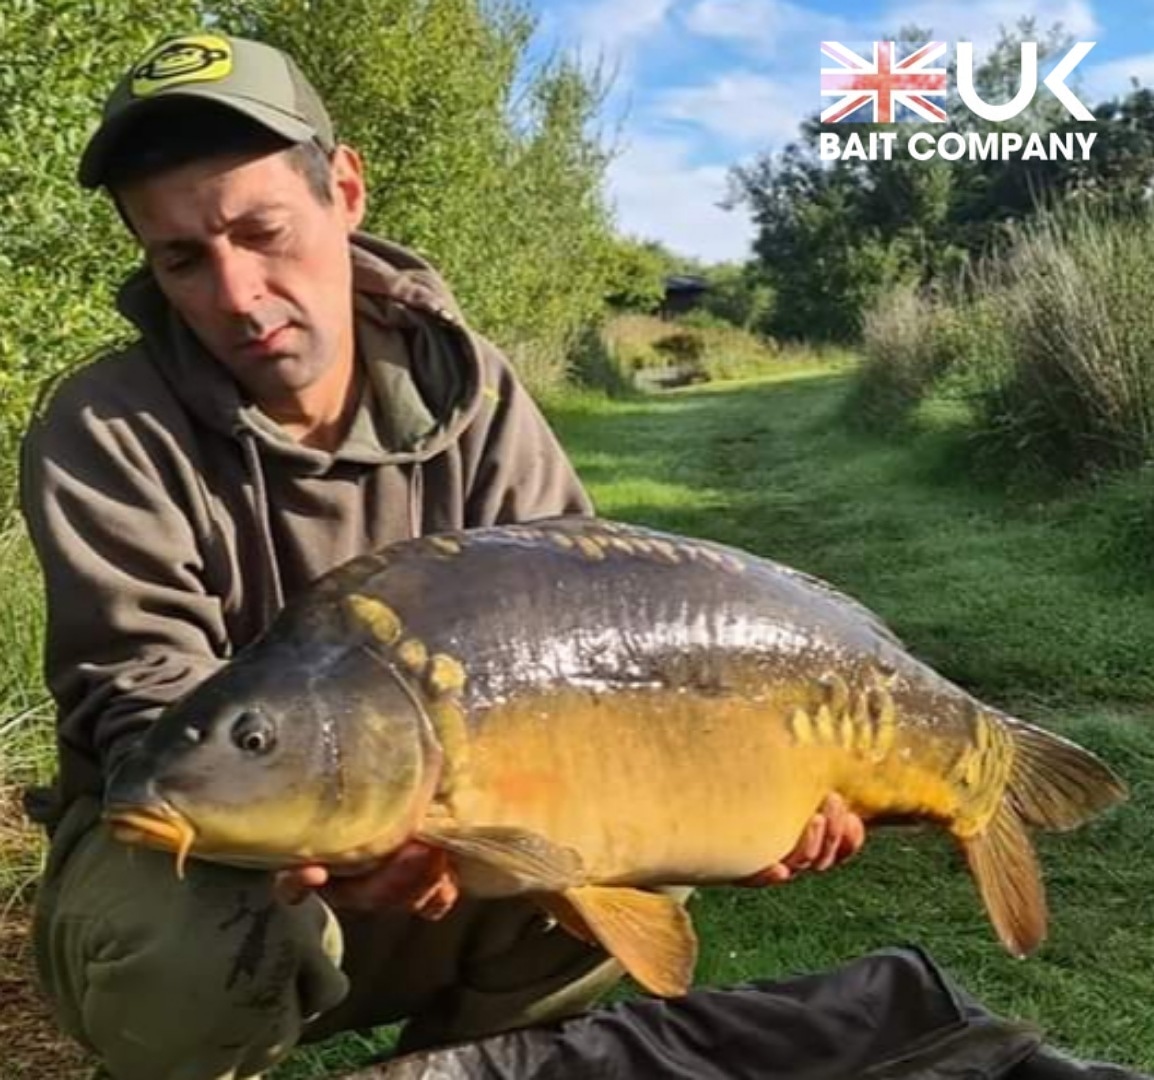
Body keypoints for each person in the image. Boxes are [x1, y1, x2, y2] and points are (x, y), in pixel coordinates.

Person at [19, 32, 865, 1080]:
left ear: (344, 189)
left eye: (263, 231)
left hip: (449, 818)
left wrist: (748, 793)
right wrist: (333, 833)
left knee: (626, 856)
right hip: (216, 838)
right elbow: (140, 693)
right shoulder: (106, 426)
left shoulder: (472, 392)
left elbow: (599, 623)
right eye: (184, 258)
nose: (238, 294)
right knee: (184, 955)